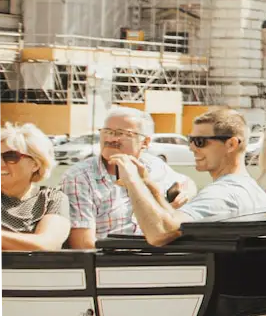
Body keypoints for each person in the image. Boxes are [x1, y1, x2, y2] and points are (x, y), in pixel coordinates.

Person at [117, 108, 266, 247]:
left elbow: (161, 232)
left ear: (231, 144)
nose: (191, 148)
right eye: (190, 140)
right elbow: (174, 221)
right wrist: (148, 185)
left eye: (200, 142)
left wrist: (132, 181)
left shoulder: (222, 194)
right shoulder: (253, 190)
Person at [62, 106, 198, 248]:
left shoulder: (154, 165)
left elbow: (187, 182)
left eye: (121, 133)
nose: (111, 138)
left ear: (144, 142)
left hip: (160, 255)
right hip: (112, 261)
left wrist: (186, 192)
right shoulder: (79, 177)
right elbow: (83, 245)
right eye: (107, 132)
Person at [0, 123, 72, 251]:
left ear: (35, 164)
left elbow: (47, 245)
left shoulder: (50, 199)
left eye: (10, 157)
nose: (0, 163)